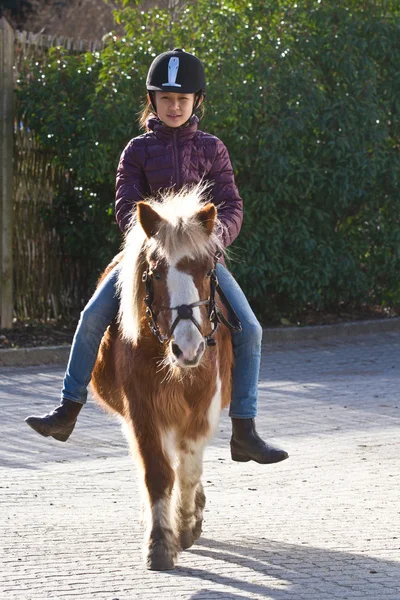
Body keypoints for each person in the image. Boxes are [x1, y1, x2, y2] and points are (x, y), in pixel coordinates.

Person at [25, 49, 288, 464]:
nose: (175, 105)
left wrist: (212, 239)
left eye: (183, 99)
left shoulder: (213, 149)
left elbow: (231, 203)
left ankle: (245, 429)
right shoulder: (136, 150)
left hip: (201, 258)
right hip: (147, 257)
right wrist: (152, 241)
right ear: (152, 101)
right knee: (93, 315)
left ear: (196, 101)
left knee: (250, 329)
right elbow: (126, 206)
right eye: (166, 98)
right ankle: (68, 409)